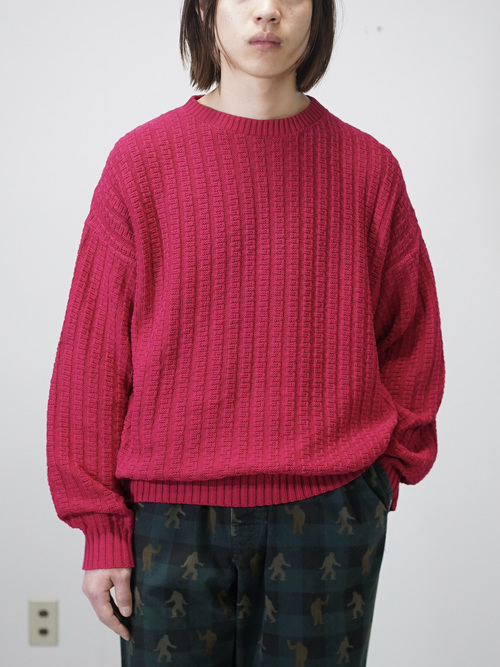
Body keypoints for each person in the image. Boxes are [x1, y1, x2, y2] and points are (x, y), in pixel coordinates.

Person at [46, 1, 446, 665]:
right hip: (168, 517)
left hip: (329, 511)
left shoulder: (368, 169)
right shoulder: (141, 163)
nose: (267, 11)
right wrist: (100, 526)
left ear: (318, 14)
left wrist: (380, 480)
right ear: (205, 11)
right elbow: (92, 356)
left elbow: (412, 333)